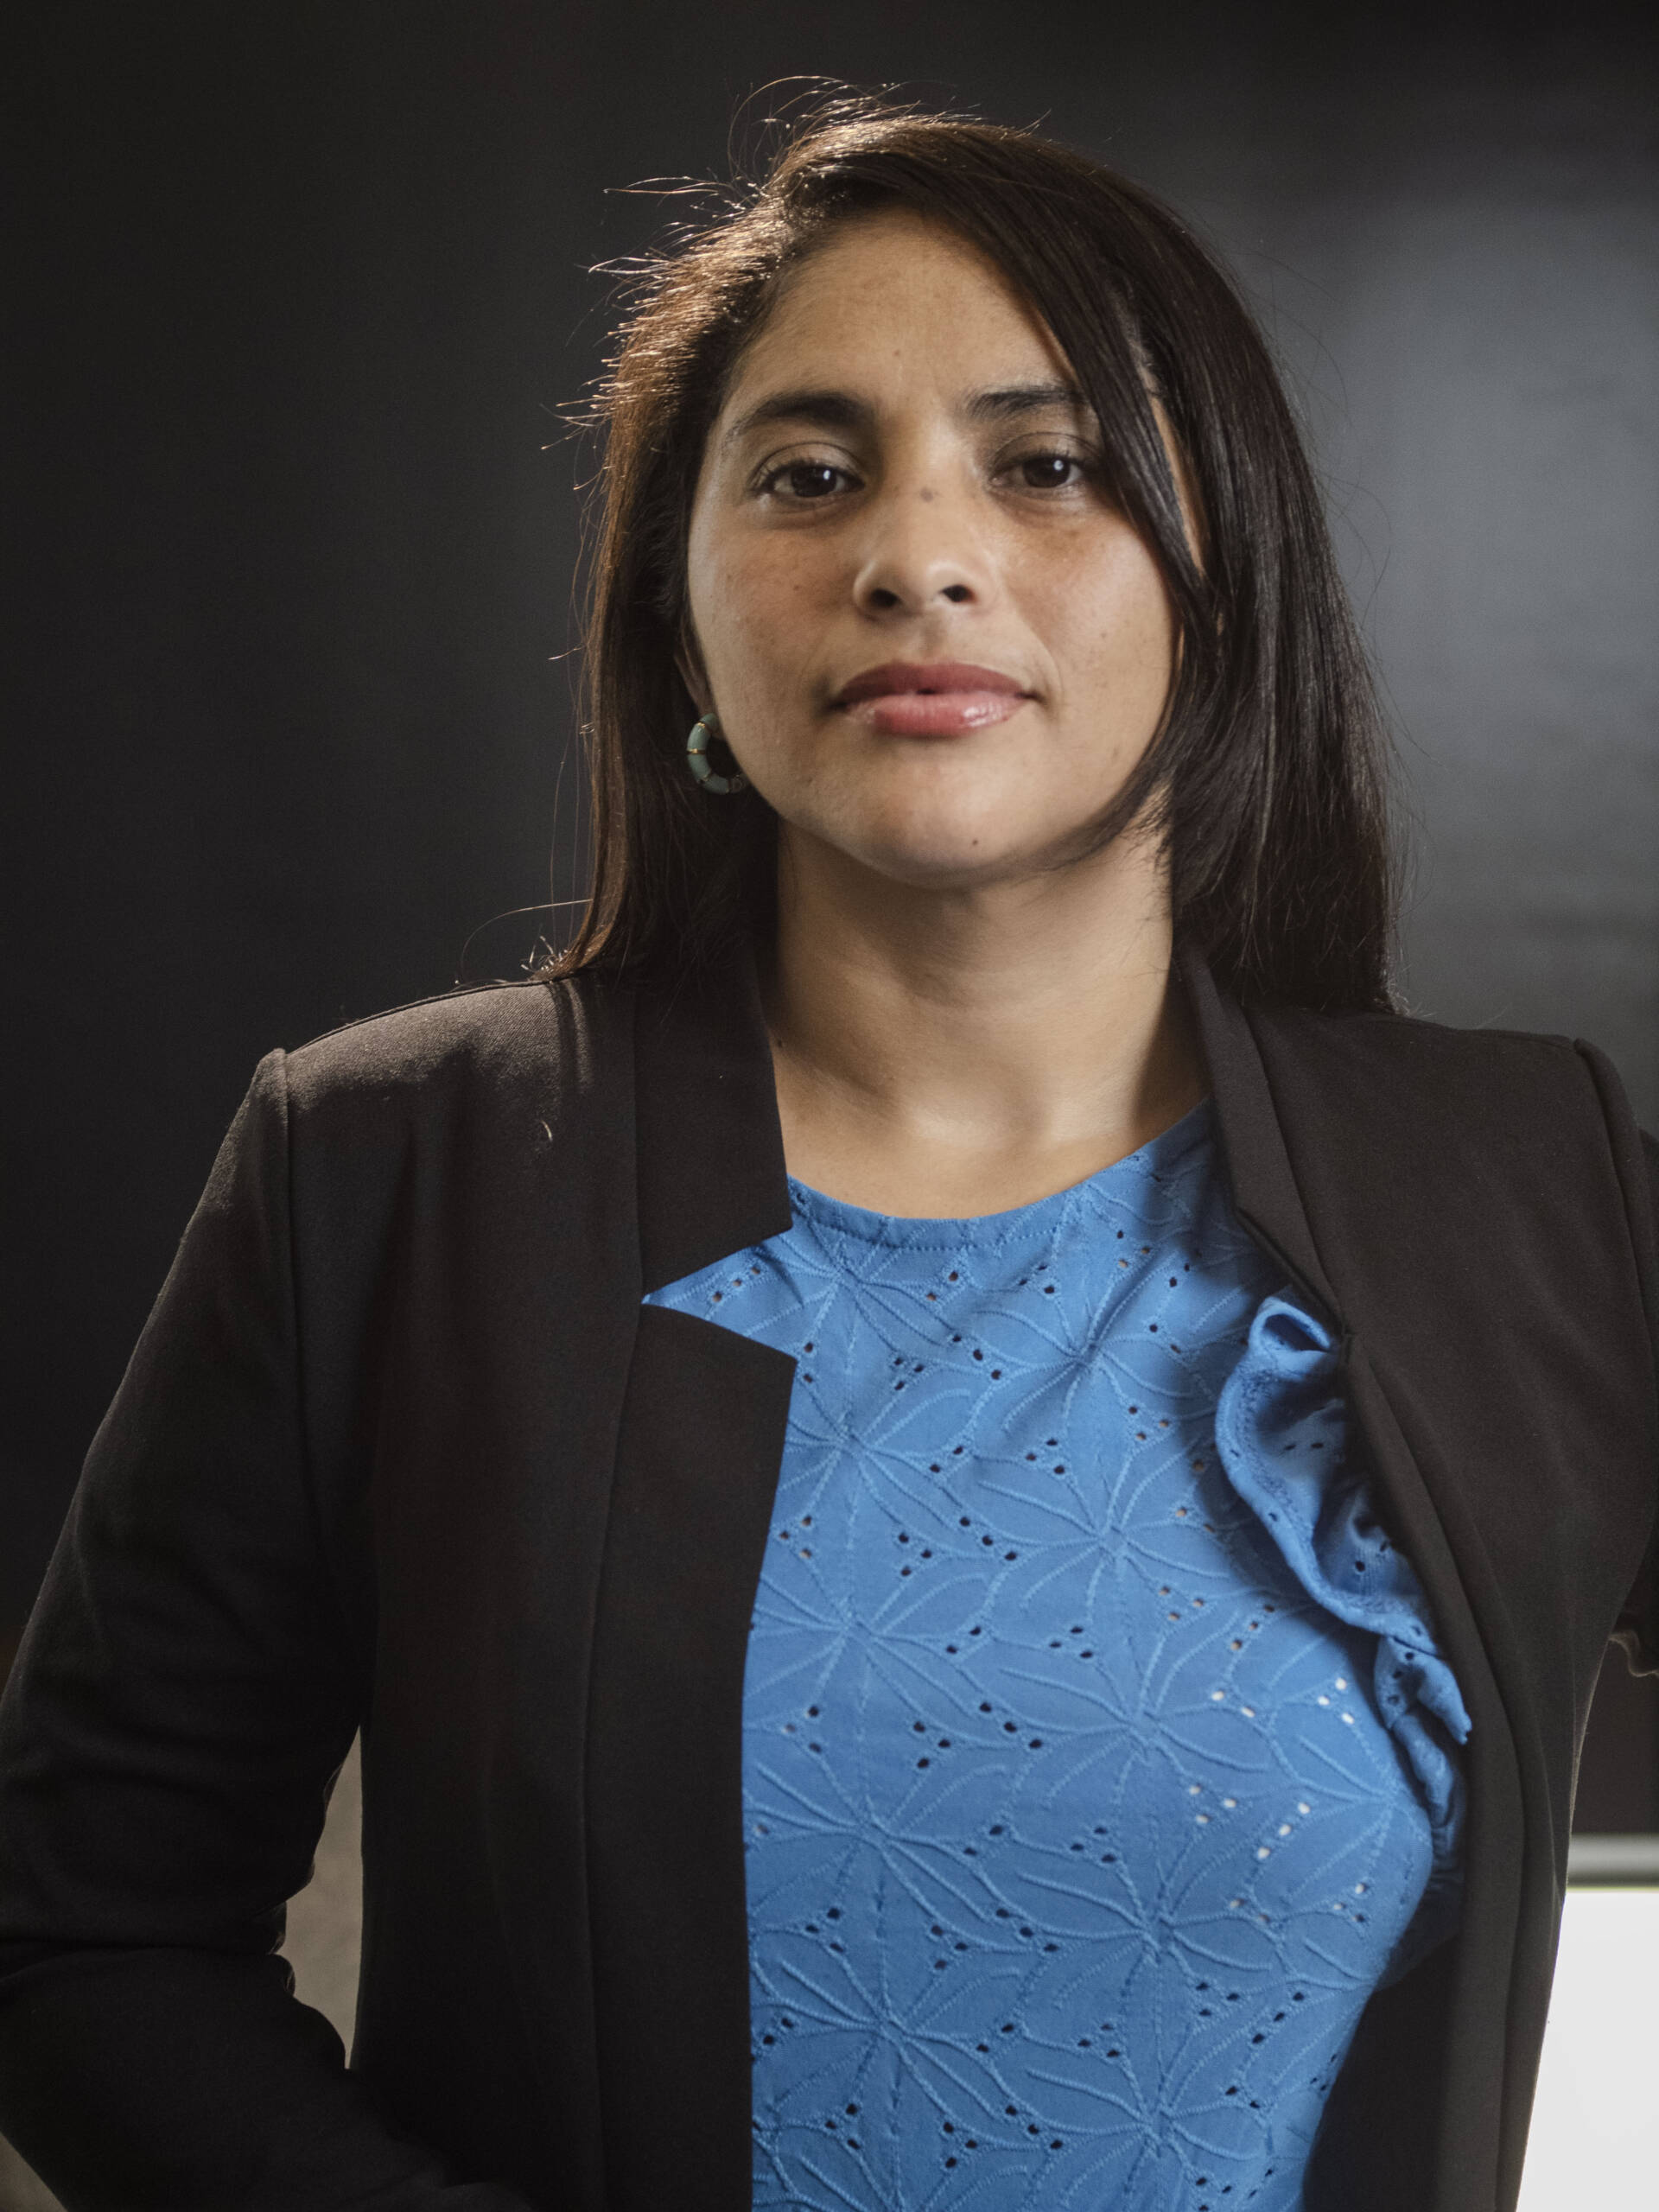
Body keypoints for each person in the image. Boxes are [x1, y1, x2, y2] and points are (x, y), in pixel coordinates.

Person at [0, 92, 1654, 2212]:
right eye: (807, 473)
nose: (916, 556)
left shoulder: (1537, 1187)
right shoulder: (384, 1171)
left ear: (1223, 571)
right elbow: (84, 1934)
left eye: (1046, 465)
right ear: (678, 614)